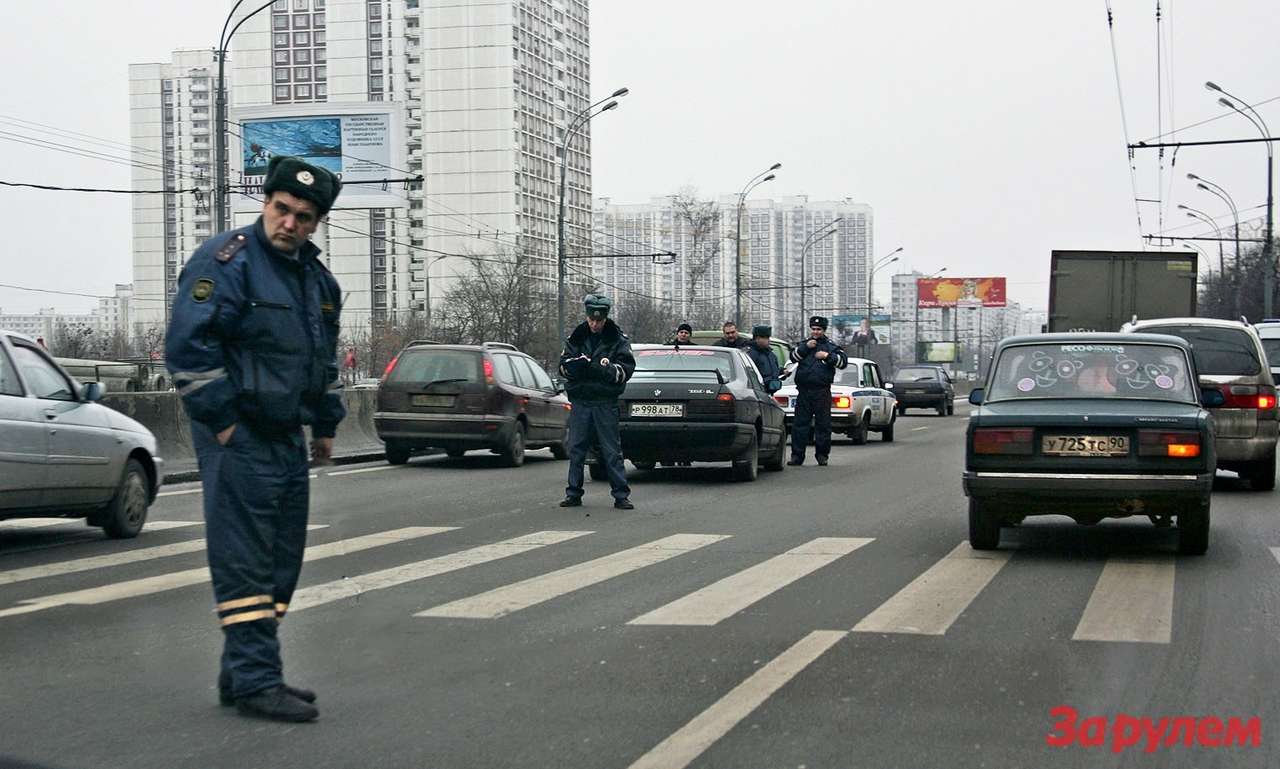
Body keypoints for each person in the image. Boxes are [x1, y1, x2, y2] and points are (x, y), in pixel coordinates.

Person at [165, 155, 344, 723]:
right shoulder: (227, 262)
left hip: (286, 434)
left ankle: (240, 672)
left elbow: (320, 360)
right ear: (265, 202)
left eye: (304, 216)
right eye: (282, 208)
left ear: (316, 223)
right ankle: (257, 681)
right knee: (245, 558)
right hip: (238, 433)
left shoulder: (317, 281)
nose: (289, 223)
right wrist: (222, 422)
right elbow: (188, 349)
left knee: (281, 560)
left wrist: (326, 423)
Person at [558, 294, 637, 510]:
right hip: (582, 400)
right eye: (591, 320)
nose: (594, 324)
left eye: (599, 320)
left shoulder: (617, 339)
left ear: (605, 318)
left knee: (611, 451)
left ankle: (621, 495)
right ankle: (573, 493)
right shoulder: (576, 337)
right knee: (576, 450)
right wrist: (576, 367)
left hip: (604, 402)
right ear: (587, 316)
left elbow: (626, 369)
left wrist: (606, 369)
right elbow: (563, 366)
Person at [788, 315, 848, 466]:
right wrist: (805, 347)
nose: (815, 332)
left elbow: (843, 362)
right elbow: (793, 357)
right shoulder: (804, 345)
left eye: (818, 329)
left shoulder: (830, 346)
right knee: (800, 425)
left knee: (823, 425)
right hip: (804, 391)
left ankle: (822, 455)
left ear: (824, 330)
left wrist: (827, 356)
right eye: (813, 329)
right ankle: (797, 456)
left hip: (822, 391)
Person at [745, 325, 783, 393]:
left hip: (769, 393)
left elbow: (772, 372)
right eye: (766, 338)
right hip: (757, 393)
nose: (768, 340)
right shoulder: (751, 354)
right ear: (757, 338)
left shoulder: (771, 355)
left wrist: (782, 372)